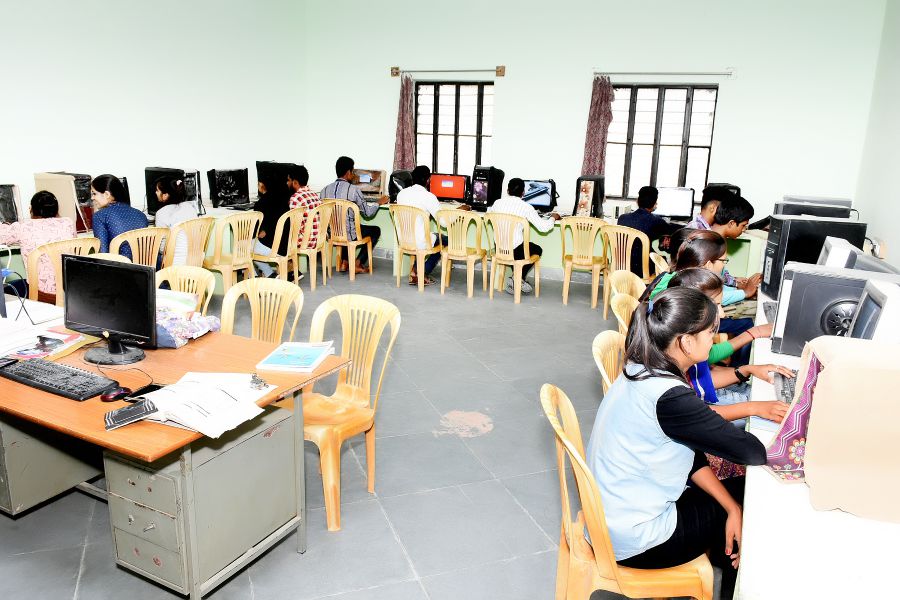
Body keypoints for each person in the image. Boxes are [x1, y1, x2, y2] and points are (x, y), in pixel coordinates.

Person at [587, 287, 767, 599]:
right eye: (710, 332)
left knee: (733, 498)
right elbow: (752, 451)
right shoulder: (670, 397)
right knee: (754, 495)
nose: (714, 338)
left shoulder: (641, 367)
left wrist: (730, 506)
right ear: (685, 342)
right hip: (638, 542)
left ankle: (728, 559)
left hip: (613, 520)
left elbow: (691, 452)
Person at [668, 268, 792, 427]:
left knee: (766, 397)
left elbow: (703, 375)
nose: (722, 314)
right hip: (700, 415)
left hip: (702, 400)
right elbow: (694, 413)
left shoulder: (684, 344)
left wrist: (745, 370)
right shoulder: (670, 376)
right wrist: (753, 407)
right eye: (716, 305)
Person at [645, 229, 766, 367]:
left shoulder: (683, 280)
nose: (724, 265)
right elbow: (704, 357)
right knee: (747, 322)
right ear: (708, 265)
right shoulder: (688, 297)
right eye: (723, 261)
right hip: (670, 364)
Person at [487, 177, 560, 295]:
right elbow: (544, 228)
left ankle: (515, 278)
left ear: (507, 191)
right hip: (516, 251)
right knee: (537, 249)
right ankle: (517, 278)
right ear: (523, 192)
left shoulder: (497, 203)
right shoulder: (526, 207)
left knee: (521, 247)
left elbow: (488, 214)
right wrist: (553, 217)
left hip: (499, 248)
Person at [0, 191, 76, 301]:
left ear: (31, 209)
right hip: (71, 290)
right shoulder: (68, 223)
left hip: (42, 294)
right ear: (56, 209)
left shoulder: (22, 227)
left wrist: (5, 225)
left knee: (7, 286)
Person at [319, 156, 389, 274]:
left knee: (345, 224)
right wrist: (378, 202)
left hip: (332, 233)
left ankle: (345, 262)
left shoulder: (324, 191)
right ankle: (357, 263)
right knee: (375, 230)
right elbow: (368, 213)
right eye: (352, 172)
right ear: (348, 172)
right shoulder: (354, 190)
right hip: (349, 234)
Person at [396, 165, 458, 286]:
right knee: (446, 240)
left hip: (403, 239)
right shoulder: (429, 196)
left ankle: (415, 270)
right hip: (419, 241)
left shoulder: (401, 194)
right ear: (428, 180)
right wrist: (458, 212)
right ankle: (422, 272)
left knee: (431, 236)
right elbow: (444, 223)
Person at [617, 186, 683, 277]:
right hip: (642, 270)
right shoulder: (655, 221)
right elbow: (672, 229)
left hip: (621, 265)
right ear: (654, 204)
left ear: (637, 201)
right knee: (663, 259)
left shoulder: (622, 218)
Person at [709, 194, 762, 299]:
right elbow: (710, 295)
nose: (744, 230)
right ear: (731, 223)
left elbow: (717, 282)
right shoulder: (709, 244)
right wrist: (745, 293)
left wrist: (737, 286)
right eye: (743, 225)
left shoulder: (717, 239)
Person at [91, 174, 148, 260]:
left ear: (106, 194)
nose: (92, 198)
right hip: (145, 267)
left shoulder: (100, 216)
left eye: (94, 193)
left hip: (119, 267)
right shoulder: (141, 215)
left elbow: (103, 255)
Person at [252, 173, 291, 278]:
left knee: (241, 248)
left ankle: (254, 278)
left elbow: (258, 233)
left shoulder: (261, 204)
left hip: (273, 248)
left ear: (262, 185)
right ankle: (270, 274)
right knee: (252, 245)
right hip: (286, 246)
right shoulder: (284, 200)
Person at [287, 164, 321, 281]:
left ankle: (288, 272)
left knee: (280, 235)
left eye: (288, 180)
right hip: (318, 239)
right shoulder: (314, 194)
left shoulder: (295, 198)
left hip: (306, 241)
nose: (287, 183)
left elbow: (295, 226)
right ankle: (291, 271)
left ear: (295, 182)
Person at [153, 177, 197, 266]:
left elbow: (162, 248)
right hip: (194, 260)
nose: (155, 193)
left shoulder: (161, 213)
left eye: (157, 190)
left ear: (165, 195)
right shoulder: (190, 208)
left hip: (173, 263)